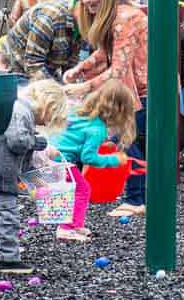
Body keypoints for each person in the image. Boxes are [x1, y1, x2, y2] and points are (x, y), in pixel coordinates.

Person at [63, 0, 149, 218]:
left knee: (124, 138)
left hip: (146, 88)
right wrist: (81, 68)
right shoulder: (116, 16)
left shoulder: (125, 18)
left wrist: (84, 87)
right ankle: (135, 196)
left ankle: (137, 199)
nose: (85, 0)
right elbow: (106, 52)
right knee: (124, 139)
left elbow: (119, 69)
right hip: (133, 87)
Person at [0, 80, 64, 273]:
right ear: (47, 105)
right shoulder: (20, 111)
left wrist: (40, 184)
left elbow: (26, 161)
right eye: (50, 118)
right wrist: (36, 141)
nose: (46, 123)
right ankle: (9, 259)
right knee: (7, 218)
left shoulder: (22, 112)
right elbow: (17, 143)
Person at [53, 80, 134, 242]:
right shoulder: (98, 129)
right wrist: (114, 160)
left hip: (50, 155)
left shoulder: (79, 112)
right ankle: (66, 228)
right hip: (60, 160)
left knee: (68, 191)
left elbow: (75, 137)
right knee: (81, 189)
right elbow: (88, 158)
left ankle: (73, 224)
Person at [1, 0, 85, 81]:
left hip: (47, 59)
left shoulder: (83, 22)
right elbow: (33, 63)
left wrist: (71, 80)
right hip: (19, 56)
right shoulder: (50, 19)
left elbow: (71, 61)